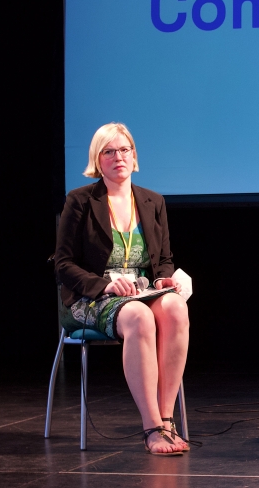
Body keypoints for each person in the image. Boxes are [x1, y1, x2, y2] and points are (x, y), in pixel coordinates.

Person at [54, 122, 191, 456]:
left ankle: (167, 419)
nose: (119, 157)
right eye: (109, 151)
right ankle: (152, 427)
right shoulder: (80, 201)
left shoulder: (152, 201)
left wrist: (163, 279)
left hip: (140, 292)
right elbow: (63, 264)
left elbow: (163, 260)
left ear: (134, 155)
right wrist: (104, 285)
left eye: (125, 149)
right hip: (90, 298)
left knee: (175, 307)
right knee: (140, 318)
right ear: (97, 160)